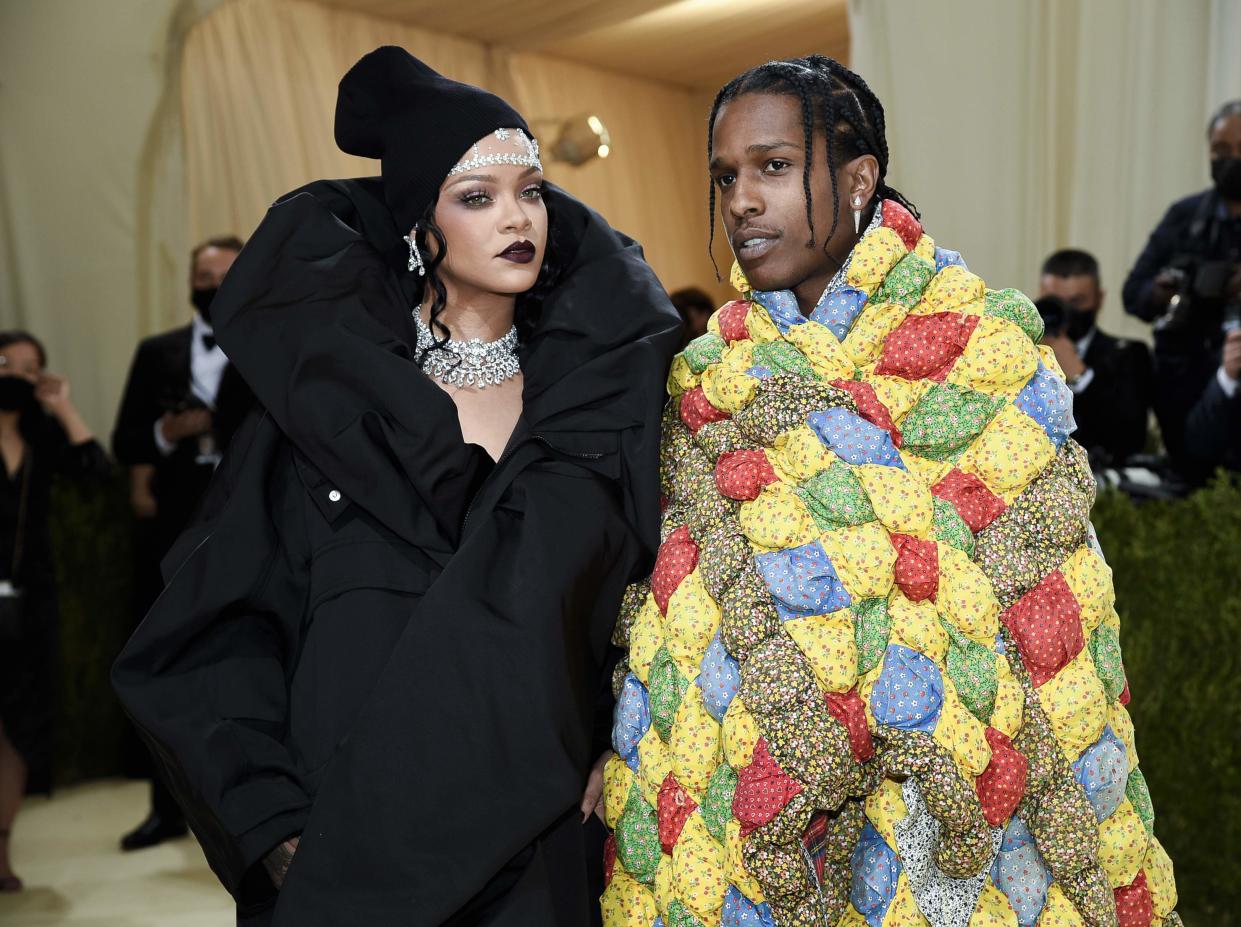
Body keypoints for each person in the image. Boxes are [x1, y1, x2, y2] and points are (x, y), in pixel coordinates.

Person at [601, 56, 1183, 927]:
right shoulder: (709, 384)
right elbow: (682, 613)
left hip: (978, 830)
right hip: (764, 821)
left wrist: (878, 673)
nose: (741, 201)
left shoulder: (980, 347)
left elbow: (1047, 592)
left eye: (772, 167)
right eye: (725, 176)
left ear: (858, 175)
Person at [112, 46, 680, 926]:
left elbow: (649, 593)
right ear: (420, 226)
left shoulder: (598, 402)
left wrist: (628, 737)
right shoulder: (330, 406)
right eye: (476, 197)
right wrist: (272, 824)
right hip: (354, 836)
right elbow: (217, 624)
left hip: (540, 832)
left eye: (530, 190)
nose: (516, 217)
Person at [111, 235, 254, 851]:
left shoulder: (268, 339)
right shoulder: (156, 351)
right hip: (173, 523)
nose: (211, 285)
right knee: (166, 658)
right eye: (203, 276)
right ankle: (163, 805)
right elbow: (126, 440)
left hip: (246, 519)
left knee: (244, 657)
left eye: (224, 276)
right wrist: (167, 434)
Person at [0, 332, 109, 892]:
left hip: (28, 599)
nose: (16, 374)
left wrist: (62, 405)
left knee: (18, 728)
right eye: (6, 364)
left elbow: (95, 470)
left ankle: (1, 851)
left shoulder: (42, 433)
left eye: (29, 367)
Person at [1122, 100, 1241, 482]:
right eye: (1222, 151)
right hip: (1184, 385)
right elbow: (1133, 293)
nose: (1232, 160)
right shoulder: (1184, 217)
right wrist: (1160, 295)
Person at [1036, 249, 1152, 467]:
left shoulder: (1128, 354)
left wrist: (1081, 376)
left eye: (1077, 302)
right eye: (1055, 301)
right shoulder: (1019, 354)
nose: (1066, 312)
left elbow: (1131, 437)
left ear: (1099, 299)